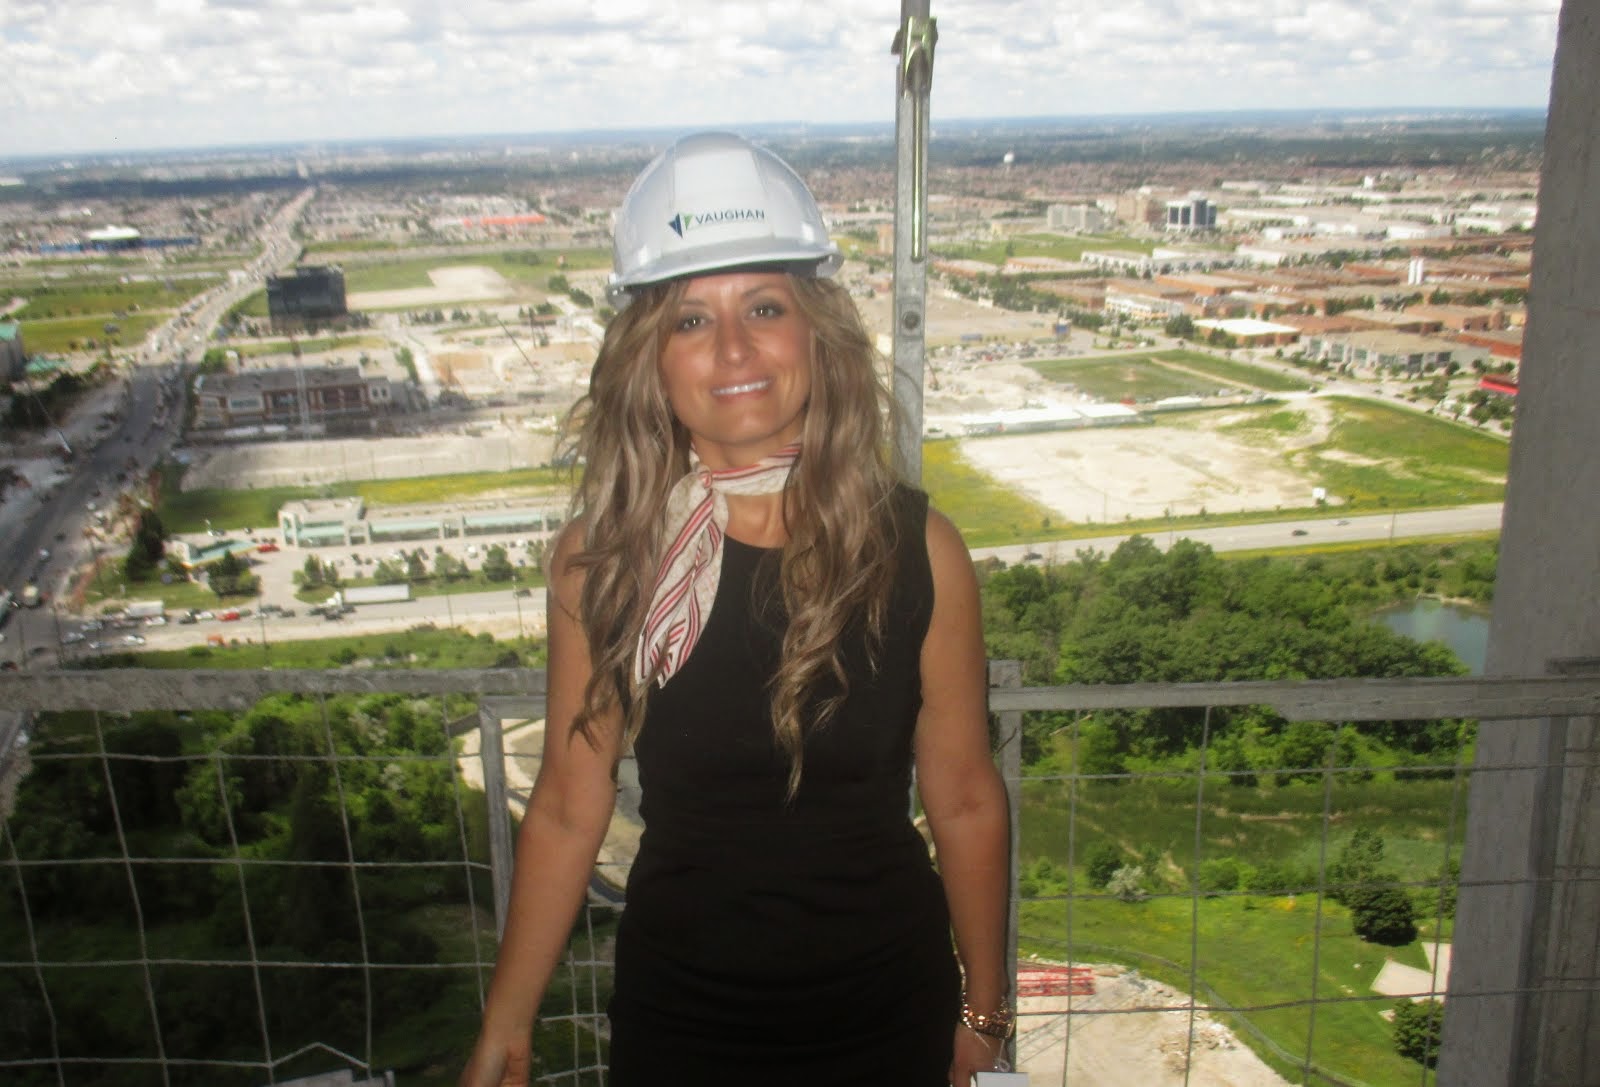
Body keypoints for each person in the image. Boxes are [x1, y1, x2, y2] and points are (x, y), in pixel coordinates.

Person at [461, 131, 1011, 1087]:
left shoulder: (919, 552)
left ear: (819, 335)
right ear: (651, 359)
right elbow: (563, 806)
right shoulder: (606, 562)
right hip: (686, 1023)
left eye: (764, 306)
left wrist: (985, 1008)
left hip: (888, 1011)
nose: (733, 350)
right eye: (688, 320)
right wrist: (508, 1026)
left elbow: (964, 796)